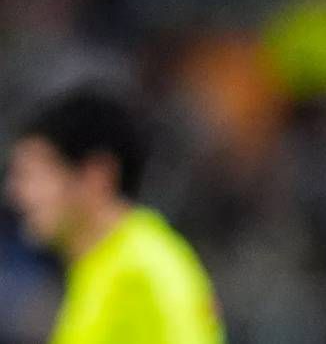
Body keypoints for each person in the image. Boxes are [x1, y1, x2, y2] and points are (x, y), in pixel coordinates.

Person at [4, 87, 225, 344]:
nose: (15, 194)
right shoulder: (98, 268)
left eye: (34, 176)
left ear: (97, 177)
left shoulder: (144, 271)